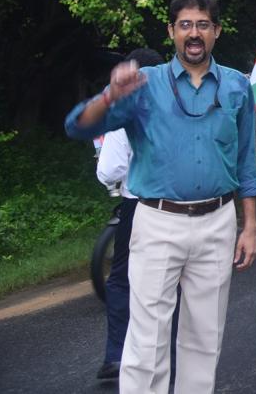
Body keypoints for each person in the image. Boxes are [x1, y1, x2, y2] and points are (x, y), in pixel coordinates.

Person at [65, 0, 256, 394]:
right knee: (147, 340)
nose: (194, 33)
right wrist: (109, 96)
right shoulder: (144, 85)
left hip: (218, 221)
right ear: (171, 31)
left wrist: (250, 225)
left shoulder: (238, 86)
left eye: (203, 25)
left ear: (217, 31)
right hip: (157, 221)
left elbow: (245, 161)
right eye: (185, 25)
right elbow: (78, 127)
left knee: (205, 337)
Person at [94, 48, 163, 382]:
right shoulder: (177, 107)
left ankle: (117, 355)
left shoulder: (124, 111)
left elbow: (109, 169)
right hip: (178, 206)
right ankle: (168, 354)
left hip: (137, 205)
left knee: (122, 280)